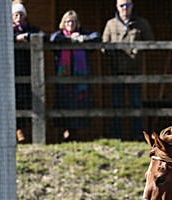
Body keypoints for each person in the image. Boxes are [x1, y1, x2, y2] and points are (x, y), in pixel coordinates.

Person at [102, 0, 154, 140]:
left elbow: (151, 41)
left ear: (132, 6)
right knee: (117, 104)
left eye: (128, 5)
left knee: (136, 104)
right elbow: (104, 45)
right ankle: (117, 136)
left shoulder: (141, 23)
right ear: (117, 7)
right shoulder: (111, 24)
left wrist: (138, 49)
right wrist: (113, 53)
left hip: (135, 69)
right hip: (116, 70)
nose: (125, 8)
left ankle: (137, 136)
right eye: (122, 5)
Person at [50, 11, 101, 142]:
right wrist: (71, 39)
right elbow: (52, 39)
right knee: (64, 103)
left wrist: (83, 39)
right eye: (68, 21)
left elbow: (97, 37)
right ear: (63, 23)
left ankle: (76, 133)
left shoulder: (83, 34)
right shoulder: (60, 36)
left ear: (77, 23)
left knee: (79, 103)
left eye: (73, 21)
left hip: (80, 82)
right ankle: (65, 132)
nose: (70, 24)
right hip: (64, 80)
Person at [12, 2, 44, 143]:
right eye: (16, 15)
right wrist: (15, 39)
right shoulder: (8, 30)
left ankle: (26, 132)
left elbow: (43, 35)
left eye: (21, 15)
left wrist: (29, 37)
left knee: (27, 100)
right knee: (14, 100)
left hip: (28, 68)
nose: (18, 17)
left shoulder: (30, 28)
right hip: (11, 69)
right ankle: (18, 130)